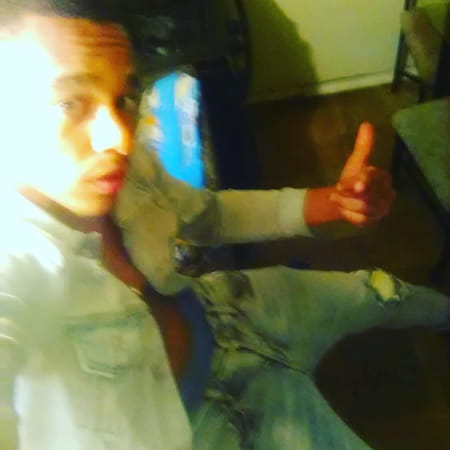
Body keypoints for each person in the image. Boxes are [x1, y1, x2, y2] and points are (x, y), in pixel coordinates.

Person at [0, 1, 448, 449]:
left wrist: (329, 203)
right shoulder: (14, 259)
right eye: (67, 103)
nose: (118, 138)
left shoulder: (123, 168)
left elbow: (207, 215)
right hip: (206, 432)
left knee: (381, 292)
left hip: (224, 311)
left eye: (122, 98)